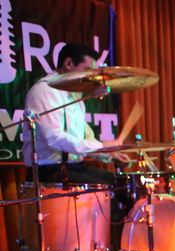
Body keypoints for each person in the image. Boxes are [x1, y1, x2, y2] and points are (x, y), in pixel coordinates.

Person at [21, 43, 124, 185]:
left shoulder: (74, 96)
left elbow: (84, 137)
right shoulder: (44, 91)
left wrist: (109, 153)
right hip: (49, 171)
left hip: (73, 168)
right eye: (87, 70)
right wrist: (100, 146)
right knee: (111, 185)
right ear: (68, 63)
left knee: (120, 181)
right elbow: (54, 138)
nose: (90, 77)